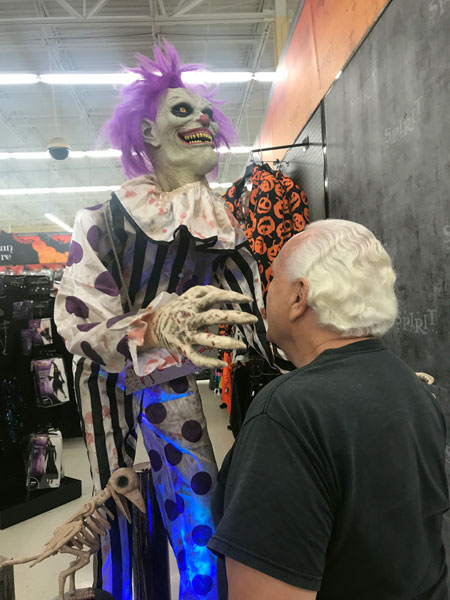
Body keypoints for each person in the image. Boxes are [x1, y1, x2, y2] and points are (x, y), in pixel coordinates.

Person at [54, 42, 274, 600]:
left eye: (206, 112)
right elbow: (78, 322)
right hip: (107, 384)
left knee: (200, 512)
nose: (203, 119)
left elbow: (255, 312)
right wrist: (151, 327)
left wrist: (338, 363)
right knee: (118, 514)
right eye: (183, 110)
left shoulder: (219, 225)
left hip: (171, 377)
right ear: (148, 132)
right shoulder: (103, 218)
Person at [208, 219, 449, 599]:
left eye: (272, 279)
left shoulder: (289, 412)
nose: (265, 292)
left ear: (298, 297)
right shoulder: (413, 388)